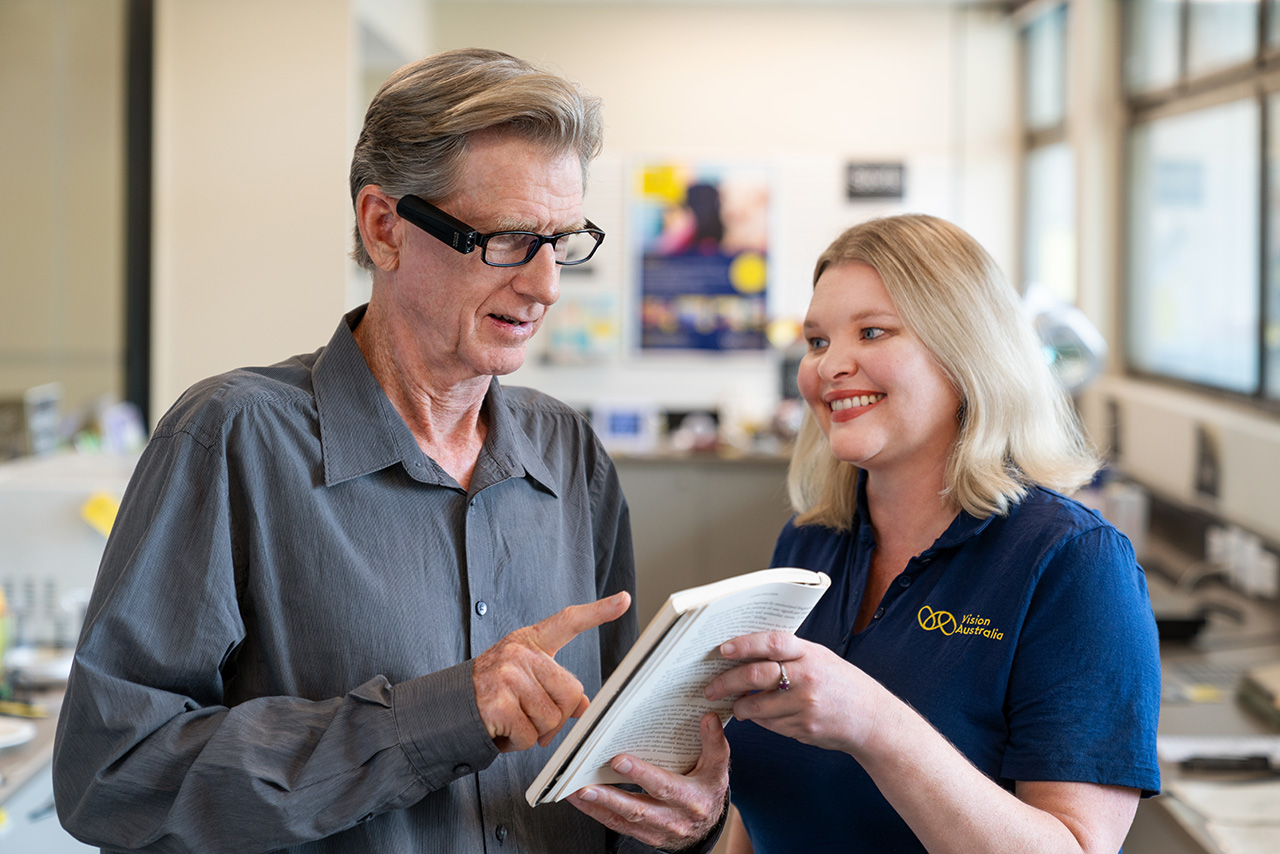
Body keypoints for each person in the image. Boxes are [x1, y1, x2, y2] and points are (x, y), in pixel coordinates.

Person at [53, 48, 728, 853]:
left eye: (562, 240)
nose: (547, 285)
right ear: (384, 227)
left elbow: (611, 758)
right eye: (510, 240)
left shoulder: (568, 454)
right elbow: (112, 776)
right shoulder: (234, 439)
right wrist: (442, 717)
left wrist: (686, 814)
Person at [704, 214, 1160, 853]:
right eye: (816, 342)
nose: (831, 365)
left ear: (965, 350)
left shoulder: (1072, 562)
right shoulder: (810, 544)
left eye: (871, 331)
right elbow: (755, 822)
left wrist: (873, 723)